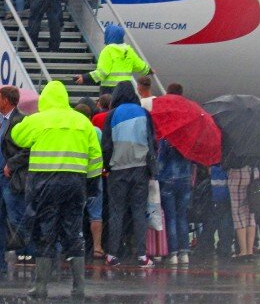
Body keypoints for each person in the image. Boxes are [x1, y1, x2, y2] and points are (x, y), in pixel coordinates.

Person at [10, 81, 103, 299]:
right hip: (75, 184)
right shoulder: (82, 121)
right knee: (73, 233)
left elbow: (16, 135)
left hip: (44, 183)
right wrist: (91, 184)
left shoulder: (39, 120)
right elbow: (96, 157)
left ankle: (41, 286)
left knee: (45, 232)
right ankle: (78, 287)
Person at [101, 81, 156, 267]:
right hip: (140, 168)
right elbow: (151, 142)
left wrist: (107, 167)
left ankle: (112, 254)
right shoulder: (144, 113)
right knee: (139, 211)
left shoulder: (113, 114)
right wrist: (151, 169)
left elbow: (107, 145)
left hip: (118, 170)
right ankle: (142, 255)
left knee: (116, 212)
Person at [0, 86, 32, 274]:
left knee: (16, 217)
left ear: (5, 100)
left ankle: (30, 252)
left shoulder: (19, 121)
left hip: (10, 178)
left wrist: (11, 164)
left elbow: (27, 149)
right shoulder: (2, 121)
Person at [74, 24, 152, 93]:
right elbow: (141, 67)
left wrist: (85, 78)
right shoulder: (129, 50)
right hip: (127, 89)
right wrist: (149, 71)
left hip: (110, 90)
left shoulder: (108, 50)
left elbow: (102, 72)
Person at [74, 103, 105, 260]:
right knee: (96, 214)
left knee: (76, 212)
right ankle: (97, 248)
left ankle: (77, 245)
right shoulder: (97, 131)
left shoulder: (74, 131)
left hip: (77, 176)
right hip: (94, 176)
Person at [157, 136, 194, 265]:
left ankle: (173, 254)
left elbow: (160, 163)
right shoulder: (188, 139)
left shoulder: (167, 139)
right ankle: (184, 253)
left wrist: (156, 175)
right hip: (185, 181)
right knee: (182, 216)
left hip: (168, 180)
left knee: (170, 218)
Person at [227, 165, 256, 261]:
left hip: (237, 173)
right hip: (253, 173)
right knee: (250, 214)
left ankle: (243, 251)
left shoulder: (235, 150)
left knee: (238, 212)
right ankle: (250, 251)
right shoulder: (255, 149)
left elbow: (228, 161)